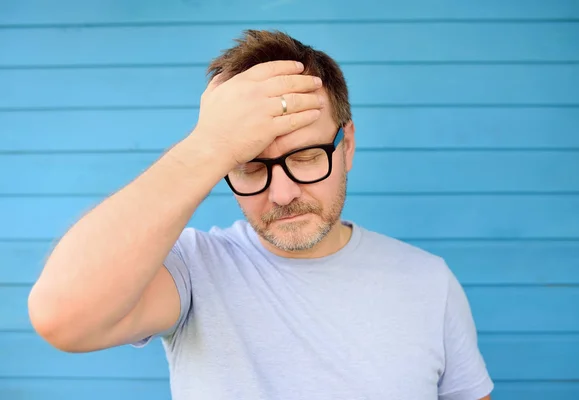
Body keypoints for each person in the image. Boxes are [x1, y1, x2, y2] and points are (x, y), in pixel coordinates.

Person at [28, 29, 494, 400]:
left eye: (308, 155)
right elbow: (62, 316)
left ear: (346, 145)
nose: (283, 194)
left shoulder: (430, 282)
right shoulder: (194, 270)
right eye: (250, 166)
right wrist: (208, 145)